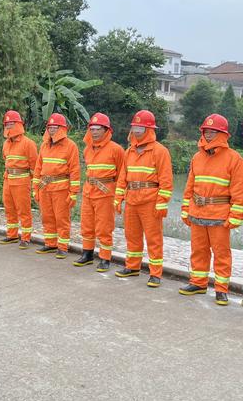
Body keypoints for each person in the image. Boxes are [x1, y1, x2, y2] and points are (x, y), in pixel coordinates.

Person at [179, 114, 243, 306]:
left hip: (219, 215)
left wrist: (236, 215)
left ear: (222, 134)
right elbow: (190, 185)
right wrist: (185, 208)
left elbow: (239, 190)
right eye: (206, 131)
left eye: (213, 132)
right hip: (197, 212)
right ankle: (198, 283)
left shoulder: (234, 158)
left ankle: (221, 289)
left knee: (222, 254)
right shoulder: (197, 157)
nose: (208, 135)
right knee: (198, 251)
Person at [114, 110, 173, 287]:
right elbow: (123, 177)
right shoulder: (129, 151)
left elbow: (166, 180)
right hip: (131, 200)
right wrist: (118, 198)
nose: (137, 131)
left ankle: (155, 274)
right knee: (131, 235)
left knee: (154, 238)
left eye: (140, 127)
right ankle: (132, 267)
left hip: (150, 201)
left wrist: (162, 203)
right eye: (134, 127)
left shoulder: (160, 151)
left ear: (149, 129)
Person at [74, 113, 124, 271]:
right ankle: (87, 254)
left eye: (98, 129)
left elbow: (122, 174)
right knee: (87, 224)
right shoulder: (88, 149)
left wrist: (119, 195)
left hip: (105, 193)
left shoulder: (116, 150)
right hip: (89, 191)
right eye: (92, 129)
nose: (94, 132)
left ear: (106, 130)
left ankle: (104, 258)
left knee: (104, 227)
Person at [33, 114, 80, 259]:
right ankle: (50, 243)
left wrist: (73, 193)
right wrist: (36, 188)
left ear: (62, 128)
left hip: (61, 188)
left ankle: (63, 246)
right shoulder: (44, 145)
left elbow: (75, 170)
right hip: (45, 186)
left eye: (55, 127)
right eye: (50, 127)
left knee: (61, 218)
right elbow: (38, 168)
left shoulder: (70, 146)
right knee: (47, 217)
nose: (52, 130)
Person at [0, 110, 38, 248]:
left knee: (24, 210)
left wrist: (35, 185)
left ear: (18, 124)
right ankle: (12, 235)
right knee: (9, 208)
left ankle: (26, 238)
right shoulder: (6, 144)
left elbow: (35, 166)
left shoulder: (28, 144)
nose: (9, 127)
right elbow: (6, 160)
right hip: (8, 180)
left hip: (22, 181)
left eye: (11, 124)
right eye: (7, 124)